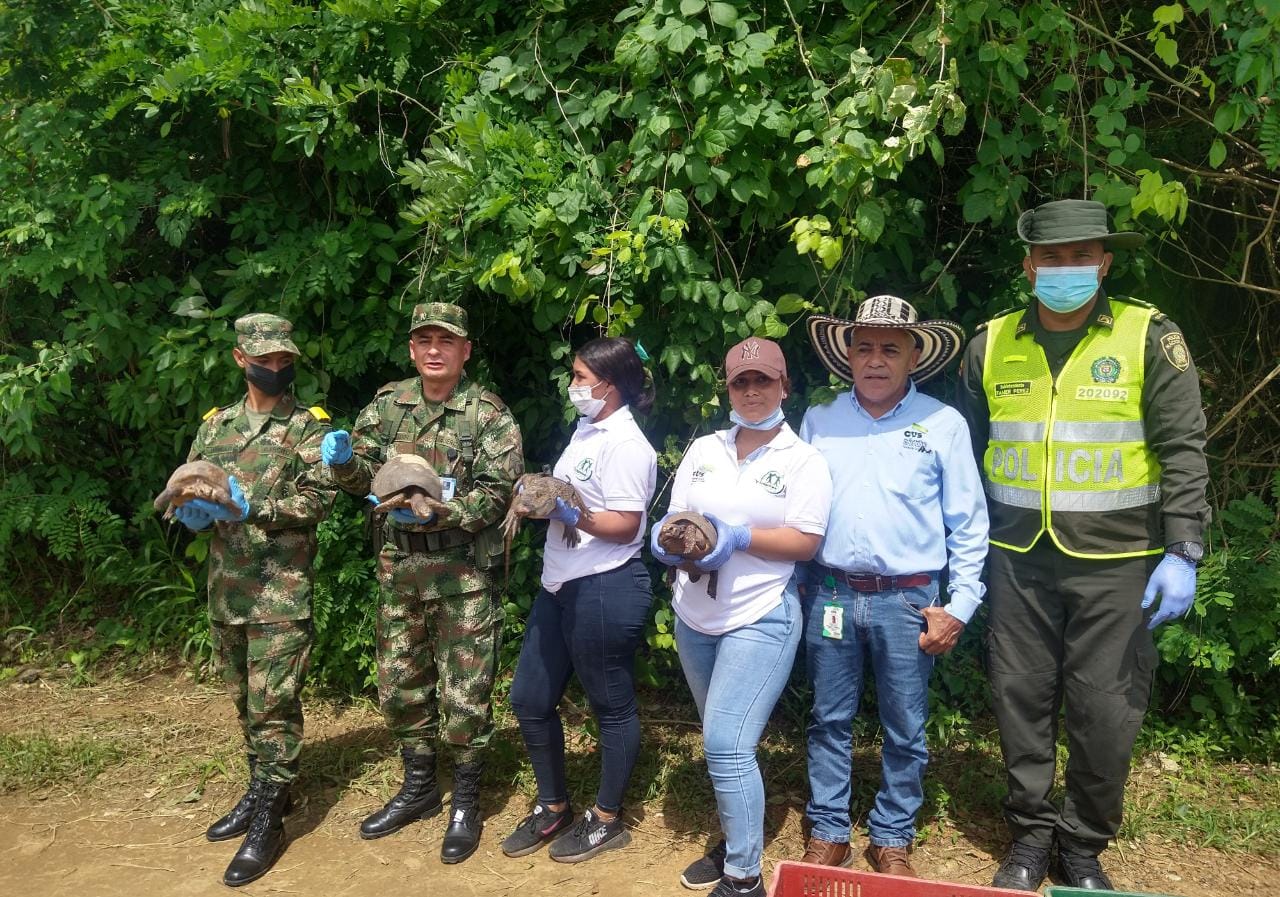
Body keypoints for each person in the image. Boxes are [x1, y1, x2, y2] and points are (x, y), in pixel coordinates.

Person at [958, 199, 1210, 891]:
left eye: (1081, 256)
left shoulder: (1147, 335)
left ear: (1104, 261)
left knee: (1105, 710)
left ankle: (1084, 842)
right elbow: (965, 452)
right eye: (1052, 257)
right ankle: (1031, 837)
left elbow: (1183, 448)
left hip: (1119, 562)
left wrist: (1183, 549)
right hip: (1015, 560)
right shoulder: (990, 342)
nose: (1066, 268)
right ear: (1028, 265)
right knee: (1020, 699)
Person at [321, 302, 522, 864]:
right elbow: (361, 475)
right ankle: (419, 788)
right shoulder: (387, 405)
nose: (435, 349)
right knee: (401, 684)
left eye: (446, 341)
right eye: (424, 340)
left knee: (466, 692)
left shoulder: (488, 415)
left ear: (465, 351)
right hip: (400, 570)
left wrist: (442, 513)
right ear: (412, 349)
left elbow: (498, 490)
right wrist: (342, 464)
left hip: (463, 575)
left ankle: (466, 799)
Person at [798, 296, 989, 877]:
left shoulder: (942, 423)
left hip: (909, 599)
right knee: (828, 718)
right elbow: (799, 511)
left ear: (913, 357)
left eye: (890, 348)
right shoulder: (820, 420)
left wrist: (959, 604)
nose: (875, 360)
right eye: (864, 347)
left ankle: (893, 835)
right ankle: (829, 830)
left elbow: (969, 522)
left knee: (905, 724)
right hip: (830, 593)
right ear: (848, 356)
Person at [653, 338, 832, 897]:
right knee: (721, 741)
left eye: (764, 381)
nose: (752, 391)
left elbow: (807, 540)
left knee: (726, 744)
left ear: (784, 386)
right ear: (727, 388)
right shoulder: (705, 448)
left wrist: (740, 537)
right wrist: (668, 540)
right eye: (740, 382)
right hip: (693, 612)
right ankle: (737, 841)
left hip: (760, 614)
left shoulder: (802, 459)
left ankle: (744, 876)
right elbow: (678, 514)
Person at [173, 313, 336, 887]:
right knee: (245, 701)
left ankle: (270, 818)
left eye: (283, 361)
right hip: (227, 589)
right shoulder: (215, 428)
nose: (275, 369)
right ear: (241, 359)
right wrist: (193, 514)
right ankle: (263, 790)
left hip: (280, 591)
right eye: (264, 360)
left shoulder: (310, 429)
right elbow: (193, 486)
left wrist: (254, 509)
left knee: (274, 705)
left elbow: (319, 501)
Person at [500, 337, 658, 864]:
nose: (573, 386)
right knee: (529, 698)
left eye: (580, 377)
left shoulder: (629, 445)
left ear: (608, 387)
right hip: (560, 584)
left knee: (610, 707)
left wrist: (571, 515)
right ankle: (554, 806)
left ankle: (608, 819)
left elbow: (626, 525)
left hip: (606, 585)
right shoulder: (586, 432)